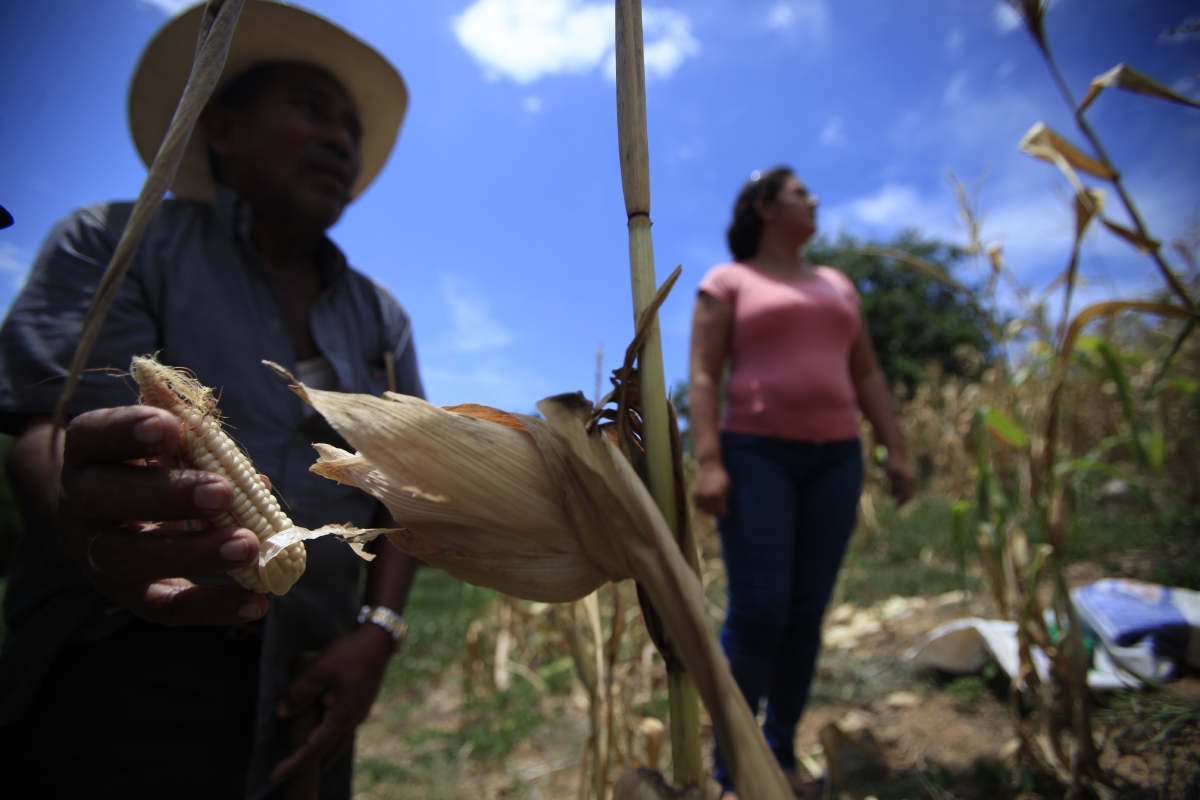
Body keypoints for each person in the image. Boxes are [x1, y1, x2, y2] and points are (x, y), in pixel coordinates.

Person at [0, 3, 423, 797]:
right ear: (221, 128)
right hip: (118, 666)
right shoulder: (117, 242)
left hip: (312, 674)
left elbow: (405, 499)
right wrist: (87, 518)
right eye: (311, 109)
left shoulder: (382, 318)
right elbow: (44, 429)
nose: (341, 139)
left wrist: (379, 633)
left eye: (351, 130)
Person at [689, 167, 914, 799]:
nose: (813, 200)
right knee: (761, 609)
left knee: (806, 614)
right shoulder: (727, 281)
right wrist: (710, 459)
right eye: (799, 193)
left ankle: (781, 751)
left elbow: (865, 372)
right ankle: (733, 771)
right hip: (756, 454)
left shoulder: (837, 284)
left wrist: (894, 448)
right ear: (765, 207)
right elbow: (704, 374)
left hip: (837, 458)